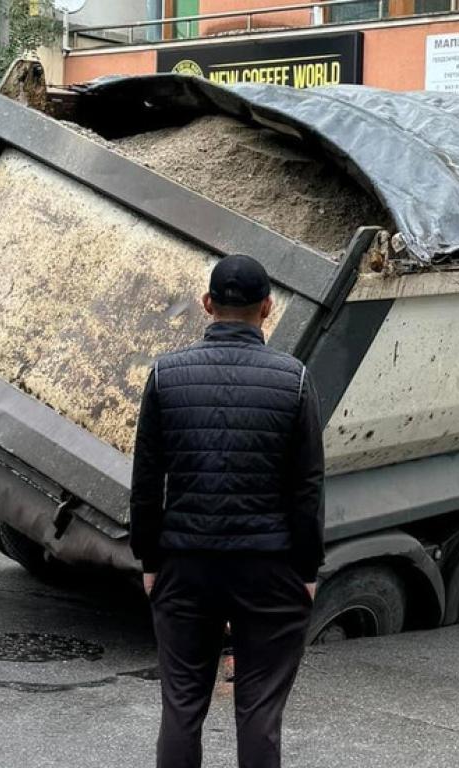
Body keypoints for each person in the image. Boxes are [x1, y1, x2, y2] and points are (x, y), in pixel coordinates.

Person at [129, 254, 325, 768]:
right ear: (268, 308)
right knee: (259, 712)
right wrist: (306, 570)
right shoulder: (295, 381)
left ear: (207, 304)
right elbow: (306, 487)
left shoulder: (165, 376)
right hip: (270, 566)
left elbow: (146, 485)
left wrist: (149, 561)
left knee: (181, 707)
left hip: (185, 564)